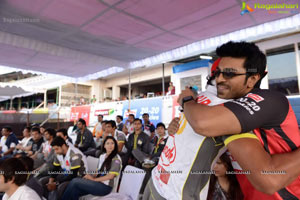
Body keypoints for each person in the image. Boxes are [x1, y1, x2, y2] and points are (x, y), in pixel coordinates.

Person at [175, 41, 300, 199]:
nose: (219, 79)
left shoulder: (270, 100)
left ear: (252, 79)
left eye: (229, 74)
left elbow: (269, 180)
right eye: (218, 73)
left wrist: (187, 100)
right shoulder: (226, 109)